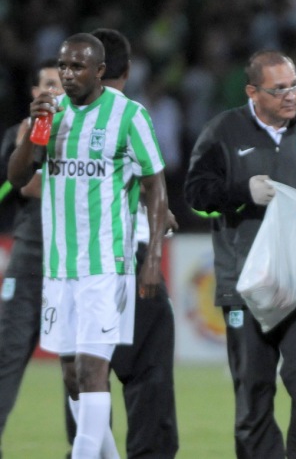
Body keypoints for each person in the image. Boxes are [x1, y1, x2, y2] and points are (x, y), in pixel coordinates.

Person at [6, 33, 169, 459]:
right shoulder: (51, 115)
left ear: (100, 72)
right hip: (59, 264)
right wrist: (31, 133)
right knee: (70, 374)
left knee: (93, 369)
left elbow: (155, 185)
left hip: (107, 261)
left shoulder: (128, 115)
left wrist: (151, 259)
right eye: (63, 66)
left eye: (77, 67)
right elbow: (19, 177)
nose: (67, 74)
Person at [184, 49, 296, 458]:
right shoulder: (223, 131)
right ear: (253, 92)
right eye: (280, 88)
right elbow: (194, 197)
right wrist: (240, 193)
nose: (292, 95)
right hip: (245, 286)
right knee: (253, 391)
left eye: (295, 85)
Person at [90, 27, 179, 459]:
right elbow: (152, 181)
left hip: (71, 262)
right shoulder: (129, 114)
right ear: (123, 73)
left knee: (85, 374)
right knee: (148, 371)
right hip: (129, 257)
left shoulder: (59, 116)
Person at [0, 60, 65, 456]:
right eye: (48, 84)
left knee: (81, 365)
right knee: (8, 354)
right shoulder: (20, 135)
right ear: (34, 92)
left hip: (75, 261)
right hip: (30, 256)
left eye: (62, 83)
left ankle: (84, 448)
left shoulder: (89, 133)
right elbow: (27, 185)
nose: (56, 90)